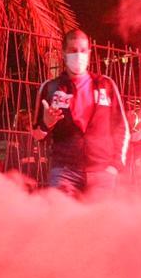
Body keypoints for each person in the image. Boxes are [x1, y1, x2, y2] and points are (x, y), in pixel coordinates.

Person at [32, 29, 130, 196]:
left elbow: (122, 127)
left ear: (89, 53)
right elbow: (36, 134)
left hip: (102, 173)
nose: (78, 55)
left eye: (83, 51)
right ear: (63, 54)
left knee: (100, 221)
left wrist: (115, 165)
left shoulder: (106, 85)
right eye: (73, 51)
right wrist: (46, 124)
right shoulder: (50, 88)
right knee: (62, 220)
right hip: (64, 172)